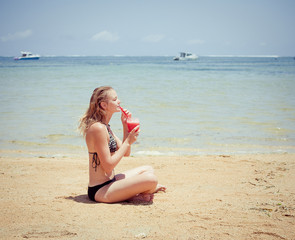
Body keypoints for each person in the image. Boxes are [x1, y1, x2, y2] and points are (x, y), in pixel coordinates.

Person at [79, 86, 165, 203]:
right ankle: (139, 193)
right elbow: (108, 166)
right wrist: (128, 141)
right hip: (100, 190)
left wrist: (125, 126)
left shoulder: (105, 126)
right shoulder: (97, 128)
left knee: (148, 169)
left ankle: (137, 192)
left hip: (111, 181)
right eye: (114, 99)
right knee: (151, 179)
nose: (119, 101)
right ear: (104, 105)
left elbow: (126, 153)